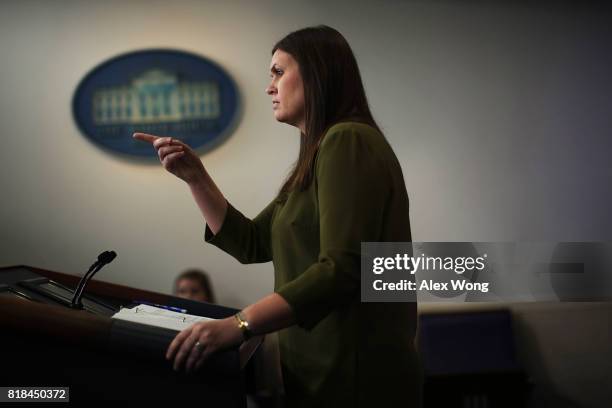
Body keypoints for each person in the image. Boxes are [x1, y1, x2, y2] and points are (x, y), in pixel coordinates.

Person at [134, 25, 422, 407]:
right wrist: (196, 177)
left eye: (278, 72)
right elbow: (251, 242)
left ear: (317, 74)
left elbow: (343, 268)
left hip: (356, 378)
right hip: (317, 375)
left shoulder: (348, 140)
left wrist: (239, 325)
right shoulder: (317, 155)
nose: (269, 87)